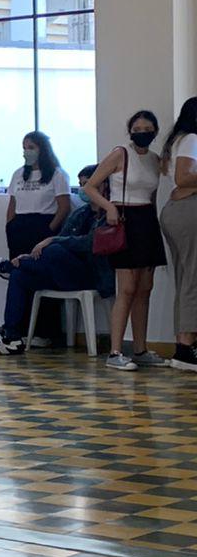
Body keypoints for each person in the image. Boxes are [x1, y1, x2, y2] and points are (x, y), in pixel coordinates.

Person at [0, 165, 113, 354]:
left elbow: (90, 243)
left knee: (55, 249)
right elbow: (66, 238)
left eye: (88, 185)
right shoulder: (80, 214)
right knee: (19, 275)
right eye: (81, 185)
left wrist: (52, 239)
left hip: (91, 274)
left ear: (103, 185)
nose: (83, 190)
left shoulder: (110, 214)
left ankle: (6, 267)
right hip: (63, 272)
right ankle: (11, 336)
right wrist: (29, 256)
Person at [82, 110, 168, 370]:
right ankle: (116, 351)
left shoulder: (155, 159)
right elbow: (89, 187)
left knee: (145, 288)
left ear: (155, 131)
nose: (142, 132)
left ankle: (140, 349)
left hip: (146, 221)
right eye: (137, 128)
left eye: (147, 128)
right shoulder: (120, 153)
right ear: (130, 131)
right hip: (124, 218)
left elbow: (151, 195)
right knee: (127, 288)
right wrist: (109, 208)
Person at [159, 97, 197, 371]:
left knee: (187, 276)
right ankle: (185, 347)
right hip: (188, 211)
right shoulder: (192, 138)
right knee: (192, 278)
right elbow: (183, 179)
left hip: (179, 210)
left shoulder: (180, 139)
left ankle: (185, 344)